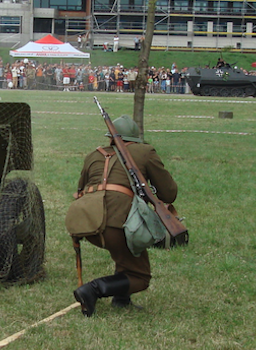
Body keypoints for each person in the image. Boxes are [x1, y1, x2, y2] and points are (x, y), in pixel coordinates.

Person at [66, 116, 178, 315]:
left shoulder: (94, 155)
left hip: (86, 223)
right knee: (140, 277)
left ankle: (121, 299)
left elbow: (81, 188)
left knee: (124, 253)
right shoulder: (145, 152)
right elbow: (169, 193)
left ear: (110, 137)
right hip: (116, 227)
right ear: (135, 138)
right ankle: (92, 290)